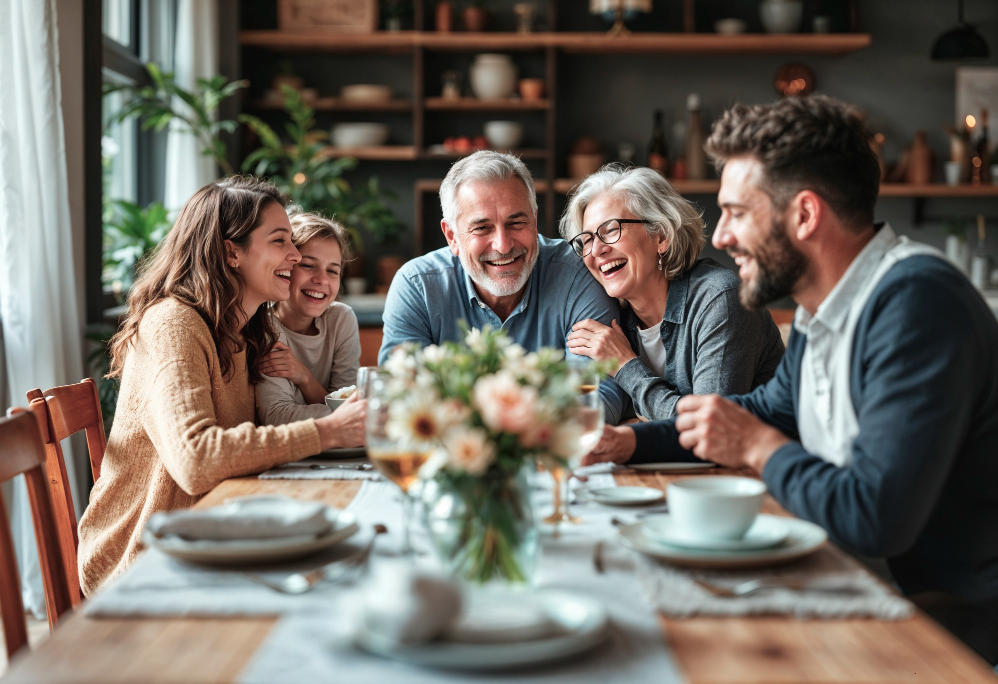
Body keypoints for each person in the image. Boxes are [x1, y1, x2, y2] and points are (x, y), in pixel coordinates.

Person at [585, 95, 998, 664]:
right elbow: (760, 413)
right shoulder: (820, 307)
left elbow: (874, 518)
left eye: (737, 212)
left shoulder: (917, 302)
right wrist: (630, 442)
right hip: (857, 579)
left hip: (944, 620)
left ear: (804, 215)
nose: (722, 236)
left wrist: (755, 445)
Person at [77, 177, 366, 595]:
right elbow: (196, 461)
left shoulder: (243, 331)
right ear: (232, 252)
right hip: (146, 557)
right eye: (280, 241)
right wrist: (328, 430)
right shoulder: (174, 324)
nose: (295, 254)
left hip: (214, 535)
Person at [380, 150, 629, 423]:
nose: (503, 245)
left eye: (516, 223)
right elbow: (400, 400)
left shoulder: (577, 276)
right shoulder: (418, 287)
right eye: (482, 228)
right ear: (451, 236)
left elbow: (596, 396)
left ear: (534, 220)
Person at [559, 164, 783, 419]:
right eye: (587, 239)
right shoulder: (614, 321)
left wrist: (625, 365)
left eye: (611, 229)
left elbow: (707, 429)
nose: (597, 250)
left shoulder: (721, 299)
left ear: (661, 236)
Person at [255, 211, 364, 431]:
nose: (322, 279)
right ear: (286, 266)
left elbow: (350, 407)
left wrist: (304, 376)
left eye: (332, 270)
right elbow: (276, 417)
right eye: (308, 265)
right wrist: (359, 413)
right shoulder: (265, 328)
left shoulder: (341, 319)